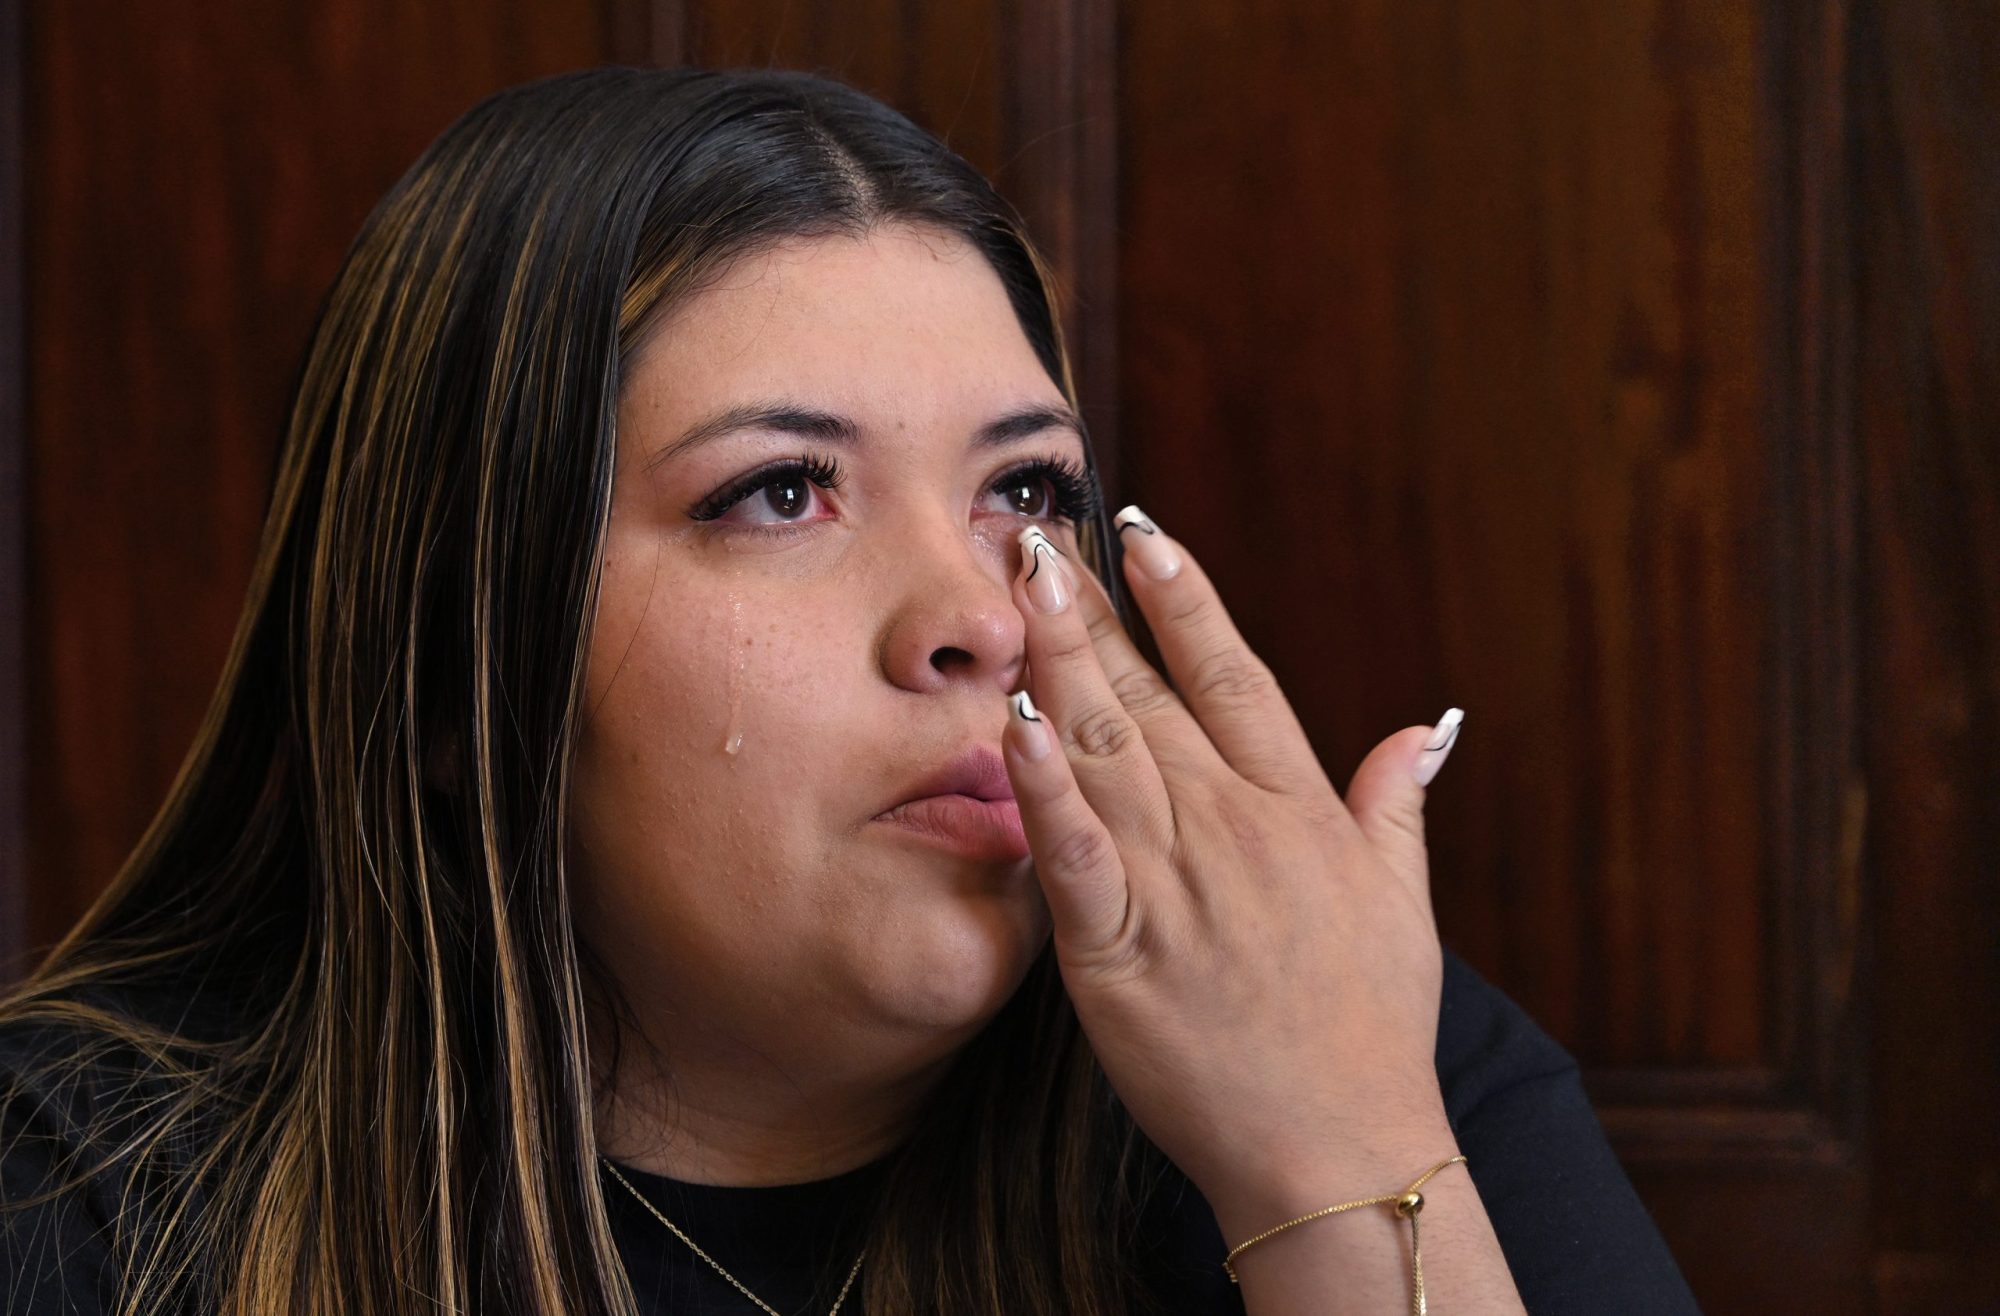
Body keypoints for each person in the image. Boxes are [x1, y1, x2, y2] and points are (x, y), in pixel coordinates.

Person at [0, 66, 1699, 1315]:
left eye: (1027, 493)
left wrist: (1335, 1169)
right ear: (458, 671)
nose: (978, 615)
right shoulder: (78, 1194)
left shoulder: (1345, 1035)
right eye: (781, 493)